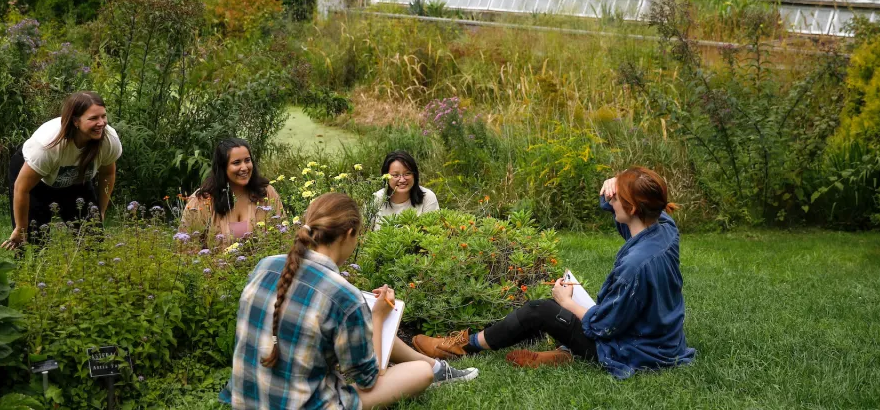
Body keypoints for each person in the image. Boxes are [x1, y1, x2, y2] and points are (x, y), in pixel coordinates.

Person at [412, 167, 696, 380]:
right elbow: (637, 210)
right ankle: (563, 355)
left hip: (637, 349)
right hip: (664, 340)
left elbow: (606, 325)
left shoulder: (636, 265)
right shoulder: (665, 230)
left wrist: (567, 302)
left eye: (616, 198)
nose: (611, 202)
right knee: (569, 309)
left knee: (541, 309)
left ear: (633, 208)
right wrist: (615, 183)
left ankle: (463, 347)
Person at [220, 193, 478, 410]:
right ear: (350, 233)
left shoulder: (265, 266)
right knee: (419, 373)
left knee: (367, 325)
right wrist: (377, 317)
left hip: (246, 400)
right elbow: (368, 379)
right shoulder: (345, 297)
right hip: (303, 404)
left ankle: (437, 367)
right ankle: (433, 369)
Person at [3, 92, 121, 249]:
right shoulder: (48, 146)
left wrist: (101, 211)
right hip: (37, 182)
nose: (101, 123)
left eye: (103, 116)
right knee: (31, 244)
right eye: (93, 118)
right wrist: (20, 228)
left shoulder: (108, 140)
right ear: (75, 121)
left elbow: (108, 174)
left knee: (93, 240)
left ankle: (88, 273)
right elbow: (22, 188)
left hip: (77, 182)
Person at [181, 138, 285, 245]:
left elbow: (284, 237)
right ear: (223, 167)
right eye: (236, 163)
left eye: (247, 160)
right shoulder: (202, 201)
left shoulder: (266, 193)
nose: (244, 167)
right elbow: (187, 248)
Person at [370, 151, 440, 230]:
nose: (402, 180)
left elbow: (433, 234)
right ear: (386, 177)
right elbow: (364, 236)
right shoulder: (375, 200)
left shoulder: (427, 197)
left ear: (414, 175)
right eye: (395, 175)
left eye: (407, 173)